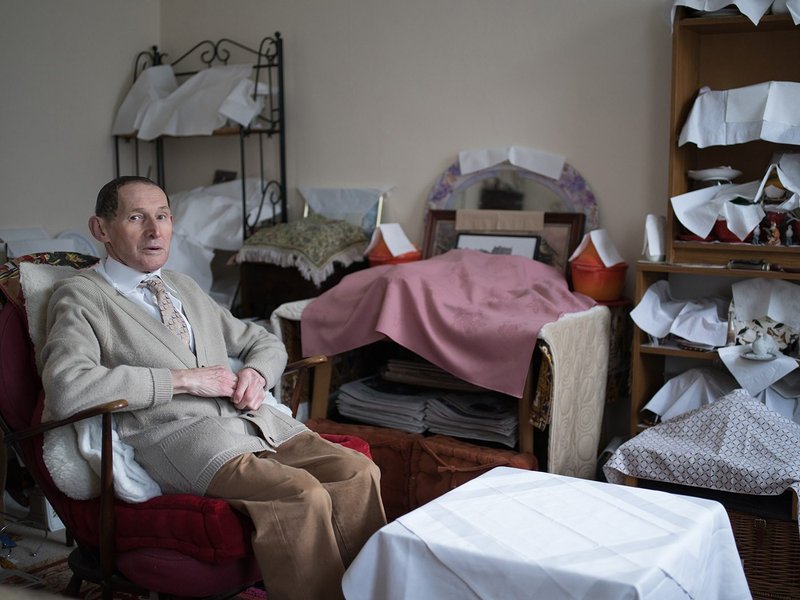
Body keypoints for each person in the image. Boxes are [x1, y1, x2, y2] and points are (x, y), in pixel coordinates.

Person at [39, 175, 386, 600]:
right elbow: (67, 386)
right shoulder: (80, 297)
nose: (154, 230)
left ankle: (369, 594)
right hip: (182, 438)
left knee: (357, 471)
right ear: (101, 229)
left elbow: (261, 340)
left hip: (254, 422)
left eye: (162, 216)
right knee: (300, 494)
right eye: (136, 217)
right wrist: (181, 380)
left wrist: (258, 374)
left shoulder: (184, 287)